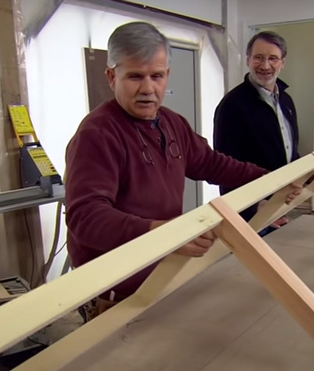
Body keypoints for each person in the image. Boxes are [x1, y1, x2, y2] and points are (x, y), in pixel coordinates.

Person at [64, 22, 299, 321]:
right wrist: (164, 233)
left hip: (163, 275)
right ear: (112, 76)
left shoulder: (172, 123)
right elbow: (86, 218)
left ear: (167, 76)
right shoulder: (97, 134)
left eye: (157, 76)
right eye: (135, 76)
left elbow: (212, 164)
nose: (148, 89)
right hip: (116, 292)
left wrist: (269, 180)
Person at [214, 31, 298, 234]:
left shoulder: (286, 101)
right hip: (253, 211)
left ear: (282, 63)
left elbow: (290, 152)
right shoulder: (232, 106)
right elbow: (225, 168)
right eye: (259, 57)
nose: (265, 65)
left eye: (273, 58)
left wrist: (311, 176)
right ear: (248, 60)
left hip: (282, 203)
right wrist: (252, 208)